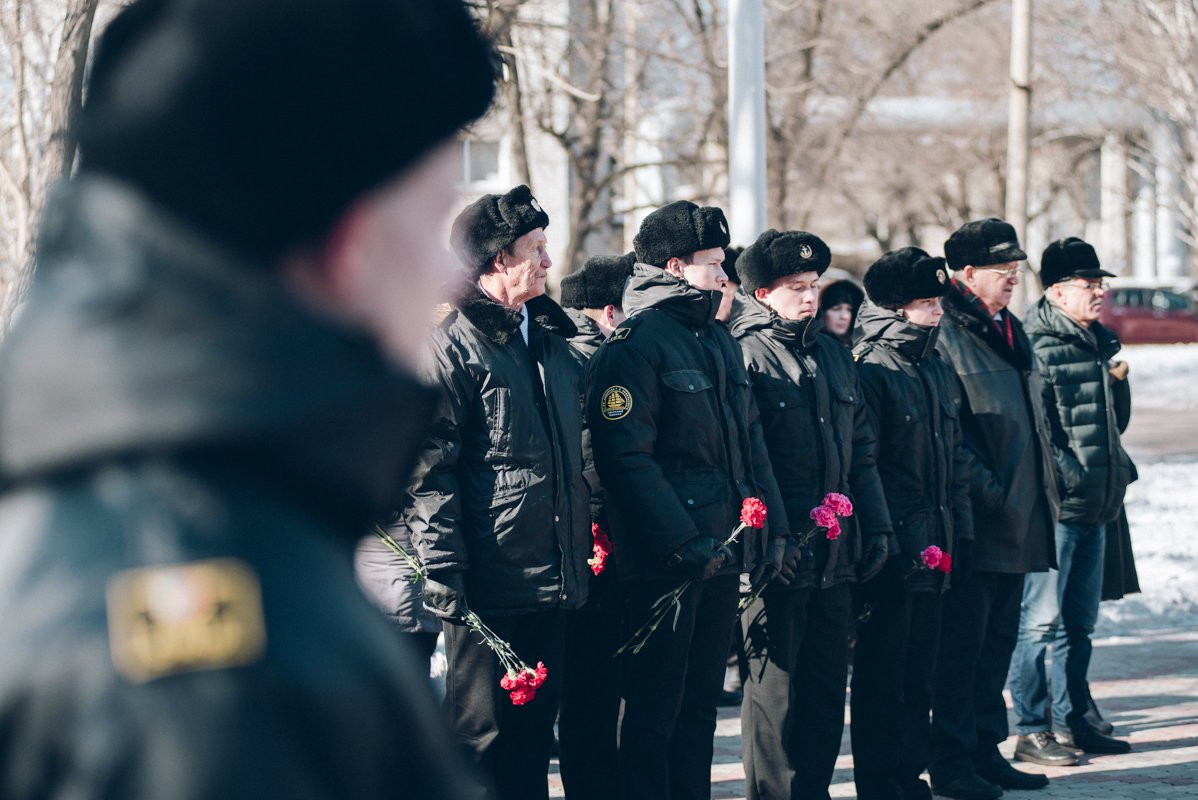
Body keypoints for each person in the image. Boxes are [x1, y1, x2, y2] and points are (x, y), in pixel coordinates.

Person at [0, 0, 495, 797]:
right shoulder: (218, 617)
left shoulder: (158, 500)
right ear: (352, 240)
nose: (449, 271)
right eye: (436, 221)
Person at [586, 200, 791, 800]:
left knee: (700, 705)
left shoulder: (716, 340)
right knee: (655, 706)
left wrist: (771, 530)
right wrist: (680, 543)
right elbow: (626, 457)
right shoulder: (636, 344)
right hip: (668, 559)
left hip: (720, 551)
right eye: (713, 263)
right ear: (675, 267)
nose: (725, 275)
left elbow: (749, 445)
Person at [405, 185, 591, 800]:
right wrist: (443, 568)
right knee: (479, 738)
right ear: (496, 260)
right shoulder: (452, 345)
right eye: (535, 249)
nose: (548, 260)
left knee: (533, 738)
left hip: (551, 572)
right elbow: (429, 469)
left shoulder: (552, 340)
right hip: (489, 575)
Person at [731, 229, 892, 800]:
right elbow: (748, 462)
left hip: (835, 552)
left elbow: (861, 451)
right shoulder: (744, 354)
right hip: (779, 553)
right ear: (762, 293)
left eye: (814, 284)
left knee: (825, 691)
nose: (809, 296)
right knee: (774, 696)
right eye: (796, 286)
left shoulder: (832, 353)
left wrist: (876, 525)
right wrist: (773, 539)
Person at [852, 248, 991, 800]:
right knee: (884, 677)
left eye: (938, 300)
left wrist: (962, 535)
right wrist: (886, 541)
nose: (938, 311)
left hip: (939, 542)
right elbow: (865, 465)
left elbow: (952, 459)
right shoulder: (871, 367)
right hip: (895, 549)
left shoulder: (934, 364)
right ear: (895, 307)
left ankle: (910, 778)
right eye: (927, 302)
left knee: (921, 676)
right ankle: (882, 783)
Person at [929, 218, 1060, 800]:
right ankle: (953, 762)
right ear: (965, 272)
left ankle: (987, 751)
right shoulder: (947, 331)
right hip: (976, 523)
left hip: (1019, 520)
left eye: (1015, 270)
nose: (1012, 279)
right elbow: (950, 436)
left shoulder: (1008, 326)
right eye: (1001, 270)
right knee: (961, 652)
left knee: (995, 649)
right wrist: (994, 493)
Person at [1009, 237, 1137, 764]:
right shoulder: (1038, 344)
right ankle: (1031, 728)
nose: (1099, 292)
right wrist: (1071, 478)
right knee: (1039, 624)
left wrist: (1117, 382)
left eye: (1100, 283)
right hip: (1060, 508)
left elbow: (1113, 424)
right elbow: (1039, 431)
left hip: (1098, 506)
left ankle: (1073, 720)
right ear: (1058, 291)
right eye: (1090, 284)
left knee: (1079, 625)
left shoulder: (1096, 340)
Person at [555, 251, 634, 800]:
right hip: (595, 544)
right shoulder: (588, 362)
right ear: (609, 312)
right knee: (591, 688)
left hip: (596, 541)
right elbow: (592, 459)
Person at [819, 278, 865, 346]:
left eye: (849, 309)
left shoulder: (860, 346)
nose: (845, 317)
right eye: (836, 309)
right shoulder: (812, 347)